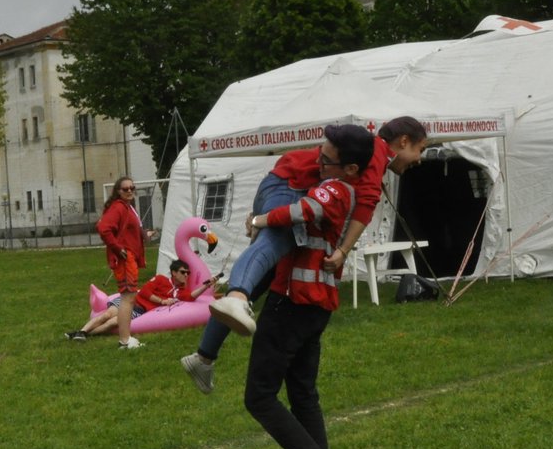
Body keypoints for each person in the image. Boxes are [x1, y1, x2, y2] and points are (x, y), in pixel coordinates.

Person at [182, 116, 430, 393]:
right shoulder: (375, 152)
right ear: (404, 142)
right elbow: (365, 207)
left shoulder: (370, 151)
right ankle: (237, 297)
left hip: (281, 180)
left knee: (263, 272)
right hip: (289, 185)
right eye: (419, 150)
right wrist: (343, 251)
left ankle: (204, 356)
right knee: (271, 246)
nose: (418, 159)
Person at [242, 123, 374, 449]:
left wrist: (260, 218)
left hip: (294, 303)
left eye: (327, 158)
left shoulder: (335, 189)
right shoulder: (335, 182)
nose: (318, 161)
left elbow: (305, 211)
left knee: (259, 397)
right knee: (302, 395)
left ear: (350, 168)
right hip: (310, 304)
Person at [66, 260, 207, 340]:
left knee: (114, 322)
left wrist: (206, 286)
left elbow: (190, 297)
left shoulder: (180, 292)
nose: (186, 275)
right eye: (183, 272)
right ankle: (82, 331)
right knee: (107, 315)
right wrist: (162, 301)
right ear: (174, 273)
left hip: (140, 310)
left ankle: (84, 334)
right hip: (132, 301)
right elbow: (145, 291)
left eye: (188, 273)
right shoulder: (160, 279)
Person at [95, 176, 157, 349]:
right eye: (125, 189)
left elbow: (130, 230)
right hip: (125, 258)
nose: (130, 191)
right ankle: (125, 340)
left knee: (128, 298)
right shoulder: (119, 207)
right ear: (118, 191)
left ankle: (125, 338)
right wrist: (117, 248)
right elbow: (103, 228)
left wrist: (145, 235)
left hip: (128, 257)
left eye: (132, 188)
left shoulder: (127, 208)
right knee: (128, 298)